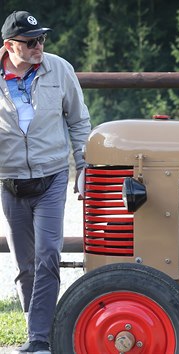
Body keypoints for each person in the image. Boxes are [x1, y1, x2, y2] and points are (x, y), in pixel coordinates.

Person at [1, 10, 91, 354]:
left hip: (52, 178)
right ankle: (35, 329)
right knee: (24, 265)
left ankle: (40, 339)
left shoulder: (60, 69)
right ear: (10, 46)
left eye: (42, 39)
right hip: (10, 182)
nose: (39, 46)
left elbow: (79, 122)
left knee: (47, 256)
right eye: (30, 42)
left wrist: (84, 167)